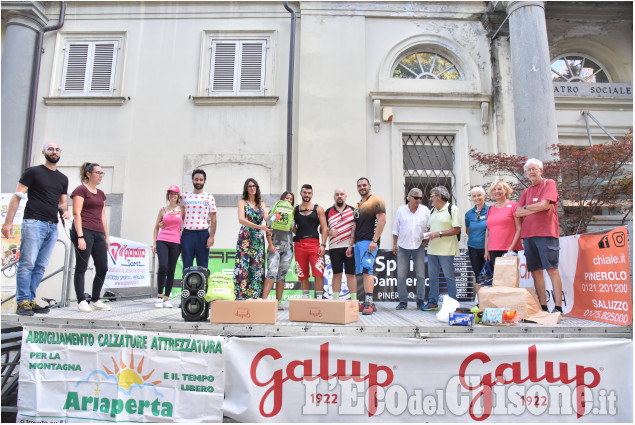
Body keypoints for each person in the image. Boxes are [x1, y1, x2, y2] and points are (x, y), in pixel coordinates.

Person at [2, 143, 70, 316]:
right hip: (33, 222)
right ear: (43, 152)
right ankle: (22, 302)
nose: (54, 152)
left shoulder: (63, 178)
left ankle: (30, 300)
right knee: (27, 263)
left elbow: (62, 202)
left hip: (52, 226)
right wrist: (8, 223)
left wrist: (66, 211)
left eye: (57, 150)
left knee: (40, 266)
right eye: (50, 149)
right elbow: (17, 196)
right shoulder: (33, 172)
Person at [516, 159, 564, 314]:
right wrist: (536, 208)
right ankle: (542, 306)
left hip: (546, 233)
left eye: (534, 169)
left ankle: (558, 307)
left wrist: (528, 208)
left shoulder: (549, 183)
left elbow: (545, 205)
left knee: (551, 269)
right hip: (528, 235)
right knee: (536, 271)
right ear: (525, 173)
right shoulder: (526, 192)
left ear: (541, 170)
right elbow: (518, 212)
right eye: (528, 170)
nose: (531, 172)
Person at [70, 162, 112, 312]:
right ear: (88, 174)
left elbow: (103, 216)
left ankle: (95, 299)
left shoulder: (101, 194)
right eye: (98, 173)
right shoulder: (80, 190)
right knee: (82, 266)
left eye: (102, 173)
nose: (101, 175)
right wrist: (80, 236)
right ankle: (81, 300)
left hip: (98, 232)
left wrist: (106, 237)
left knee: (102, 267)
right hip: (84, 231)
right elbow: (76, 213)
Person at [346, 178, 386, 315]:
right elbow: (354, 226)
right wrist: (351, 245)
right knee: (363, 271)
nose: (362, 187)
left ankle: (368, 302)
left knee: (368, 270)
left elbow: (382, 221)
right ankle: (368, 302)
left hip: (369, 241)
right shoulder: (358, 205)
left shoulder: (377, 201)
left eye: (364, 185)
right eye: (359, 186)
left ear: (369, 186)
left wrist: (374, 240)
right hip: (358, 242)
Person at [423, 186, 461, 311]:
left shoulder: (452, 209)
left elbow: (457, 229)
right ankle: (433, 302)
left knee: (448, 277)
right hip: (432, 249)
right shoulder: (432, 210)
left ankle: (453, 305)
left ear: (439, 196)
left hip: (447, 250)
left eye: (432, 195)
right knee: (433, 277)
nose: (430, 198)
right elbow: (430, 228)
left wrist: (438, 233)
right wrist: (427, 235)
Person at [392, 188, 430, 310]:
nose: (418, 200)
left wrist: (427, 240)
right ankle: (403, 301)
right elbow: (396, 229)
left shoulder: (425, 210)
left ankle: (420, 301)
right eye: (416, 197)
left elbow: (430, 227)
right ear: (409, 197)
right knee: (401, 275)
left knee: (420, 275)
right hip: (403, 246)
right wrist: (394, 244)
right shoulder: (401, 210)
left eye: (420, 198)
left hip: (419, 246)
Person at [234, 178, 270, 299]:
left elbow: (267, 218)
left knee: (257, 266)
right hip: (245, 237)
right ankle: (241, 296)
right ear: (246, 188)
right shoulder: (242, 202)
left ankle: (256, 296)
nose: (252, 188)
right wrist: (259, 226)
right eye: (250, 186)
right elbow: (241, 220)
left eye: (254, 186)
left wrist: (278, 217)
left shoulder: (262, 203)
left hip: (258, 239)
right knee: (243, 266)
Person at [293, 184, 328, 299]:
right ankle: (306, 299)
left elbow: (324, 228)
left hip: (314, 245)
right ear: (301, 193)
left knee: (318, 273)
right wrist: (297, 233)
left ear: (312, 194)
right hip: (299, 245)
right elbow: (291, 226)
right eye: (305, 192)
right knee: (303, 274)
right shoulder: (295, 209)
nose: (307, 195)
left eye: (309, 193)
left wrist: (323, 244)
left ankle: (318, 299)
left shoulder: (318, 209)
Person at [152, 185, 184, 308]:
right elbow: (156, 227)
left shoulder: (182, 210)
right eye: (171, 193)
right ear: (168, 196)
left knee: (171, 270)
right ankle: (159, 296)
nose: (173, 195)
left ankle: (166, 298)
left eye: (175, 193)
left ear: (178, 196)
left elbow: (187, 224)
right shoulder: (163, 210)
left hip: (176, 242)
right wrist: (154, 243)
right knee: (163, 266)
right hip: (162, 240)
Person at [262, 191, 295, 309]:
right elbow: (268, 227)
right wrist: (270, 244)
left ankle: (278, 301)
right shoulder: (275, 212)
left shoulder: (292, 213)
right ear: (281, 199)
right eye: (286, 198)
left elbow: (293, 229)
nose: (288, 200)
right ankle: (264, 301)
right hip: (274, 247)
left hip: (288, 248)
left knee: (282, 275)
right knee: (271, 273)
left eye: (291, 199)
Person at [181, 169, 216, 271]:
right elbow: (177, 212)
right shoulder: (184, 196)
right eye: (196, 179)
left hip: (203, 234)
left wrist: (212, 236)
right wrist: (164, 220)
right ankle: (186, 287)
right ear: (192, 180)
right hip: (187, 234)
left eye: (201, 180)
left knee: (203, 267)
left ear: (204, 181)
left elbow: (213, 218)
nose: (198, 182)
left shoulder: (209, 197)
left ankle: (202, 287)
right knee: (187, 266)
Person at [325, 188, 357, 301]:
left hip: (350, 247)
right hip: (334, 248)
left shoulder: (353, 210)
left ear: (345, 196)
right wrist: (329, 232)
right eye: (337, 194)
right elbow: (321, 230)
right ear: (334, 197)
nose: (339, 196)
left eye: (342, 194)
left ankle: (354, 301)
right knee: (336, 274)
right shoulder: (328, 211)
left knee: (351, 275)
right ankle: (335, 300)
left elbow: (357, 228)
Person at [484, 180, 523, 270]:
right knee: (498, 278)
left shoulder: (513, 206)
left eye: (499, 189)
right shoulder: (490, 209)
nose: (497, 191)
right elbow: (488, 231)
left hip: (509, 249)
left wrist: (511, 248)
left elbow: (519, 228)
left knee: (509, 277)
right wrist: (486, 250)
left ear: (505, 191)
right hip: (493, 249)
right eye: (494, 189)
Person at [465, 187, 489, 279]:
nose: (477, 198)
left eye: (479, 195)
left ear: (484, 196)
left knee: (489, 275)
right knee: (478, 275)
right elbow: (468, 231)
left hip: (487, 248)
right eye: (474, 196)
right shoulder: (468, 214)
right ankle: (479, 293)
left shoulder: (491, 211)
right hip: (473, 248)